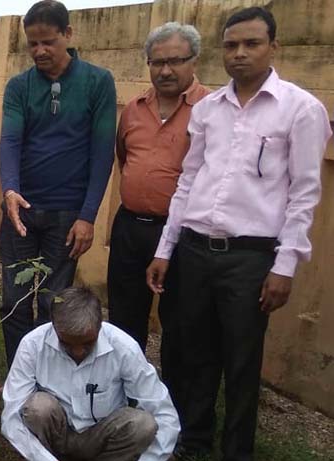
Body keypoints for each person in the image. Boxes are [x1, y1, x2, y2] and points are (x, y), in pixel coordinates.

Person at [146, 7, 332, 461]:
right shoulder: (208, 110)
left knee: (242, 359)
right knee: (193, 351)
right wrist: (167, 247)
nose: (240, 54)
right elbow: (188, 181)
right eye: (231, 46)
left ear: (275, 48)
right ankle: (193, 438)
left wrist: (284, 264)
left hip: (251, 257)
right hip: (195, 247)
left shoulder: (299, 110)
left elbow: (305, 193)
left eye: (250, 44)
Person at [0, 0, 116, 367]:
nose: (39, 51)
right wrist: (10, 190)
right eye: (32, 43)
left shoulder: (98, 82)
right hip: (21, 211)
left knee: (53, 302)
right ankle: (19, 374)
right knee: (13, 298)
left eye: (48, 41)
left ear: (68, 34)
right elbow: (11, 141)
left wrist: (88, 216)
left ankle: (47, 373)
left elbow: (102, 152)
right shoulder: (19, 86)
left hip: (67, 216)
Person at [1, 287, 179, 461]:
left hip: (100, 437)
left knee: (143, 423)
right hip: (57, 433)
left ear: (99, 326)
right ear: (54, 328)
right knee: (38, 407)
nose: (78, 352)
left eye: (87, 343)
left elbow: (166, 418)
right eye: (67, 344)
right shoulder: (33, 345)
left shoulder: (123, 348)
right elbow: (11, 419)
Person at [109, 22, 210, 417]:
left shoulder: (211, 109)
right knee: (123, 319)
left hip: (185, 236)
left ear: (193, 61)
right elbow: (124, 159)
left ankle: (173, 408)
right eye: (157, 62)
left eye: (175, 61)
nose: (166, 70)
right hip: (131, 226)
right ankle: (123, 399)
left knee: (181, 324)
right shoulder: (133, 110)